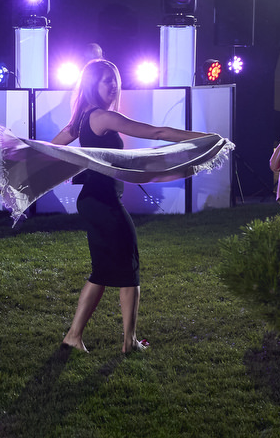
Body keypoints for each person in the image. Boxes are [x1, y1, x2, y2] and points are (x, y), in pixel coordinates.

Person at [50, 59, 209, 353]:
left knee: (103, 270)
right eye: (106, 80)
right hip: (104, 203)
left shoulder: (82, 118)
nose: (113, 85)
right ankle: (128, 342)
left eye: (115, 80)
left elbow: (52, 147)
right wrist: (204, 138)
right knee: (129, 268)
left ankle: (76, 336)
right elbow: (157, 133)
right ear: (92, 85)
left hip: (93, 201)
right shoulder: (102, 117)